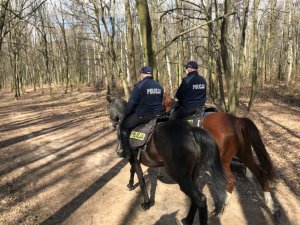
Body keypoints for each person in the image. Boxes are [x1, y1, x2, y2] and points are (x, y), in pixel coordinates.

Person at [117, 66, 164, 159]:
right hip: (159, 114)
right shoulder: (159, 86)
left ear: (142, 74)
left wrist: (126, 114)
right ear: (150, 74)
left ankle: (127, 152)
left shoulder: (139, 85)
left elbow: (131, 103)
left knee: (123, 126)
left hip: (144, 115)